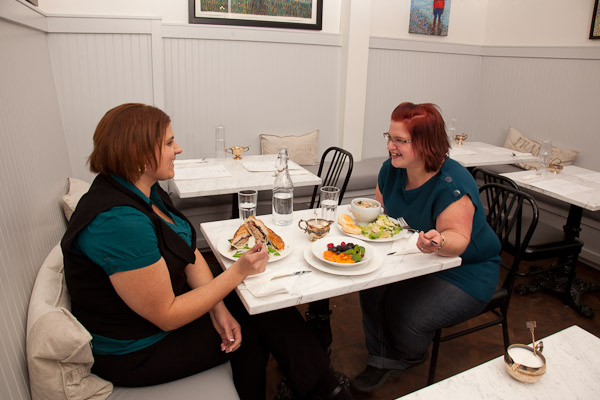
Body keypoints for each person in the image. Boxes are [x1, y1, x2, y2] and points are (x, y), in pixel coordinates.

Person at [61, 103, 352, 400]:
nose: (179, 148)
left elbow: (187, 251)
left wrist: (219, 308)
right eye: (169, 143)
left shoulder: (141, 189)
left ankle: (319, 388)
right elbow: (167, 315)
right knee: (256, 321)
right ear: (138, 152)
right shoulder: (119, 222)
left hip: (156, 321)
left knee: (262, 305)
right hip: (138, 350)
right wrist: (238, 272)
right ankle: (325, 390)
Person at [350, 102, 501, 393]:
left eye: (400, 140)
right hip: (419, 257)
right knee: (369, 288)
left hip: (467, 269)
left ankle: (410, 355)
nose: (390, 146)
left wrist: (438, 241)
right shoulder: (392, 170)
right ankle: (382, 359)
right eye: (389, 137)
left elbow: (458, 241)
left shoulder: (452, 183)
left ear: (425, 144)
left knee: (408, 315)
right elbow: (382, 211)